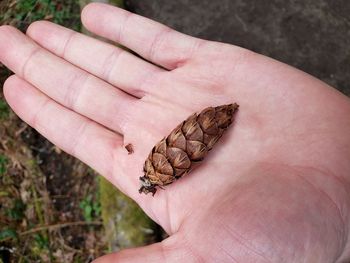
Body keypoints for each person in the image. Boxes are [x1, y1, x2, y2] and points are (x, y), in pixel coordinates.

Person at [0, 3, 349, 262]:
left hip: (202, 130)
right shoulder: (158, 168)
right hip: (198, 134)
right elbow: (181, 152)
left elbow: (183, 152)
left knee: (197, 138)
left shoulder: (160, 168)